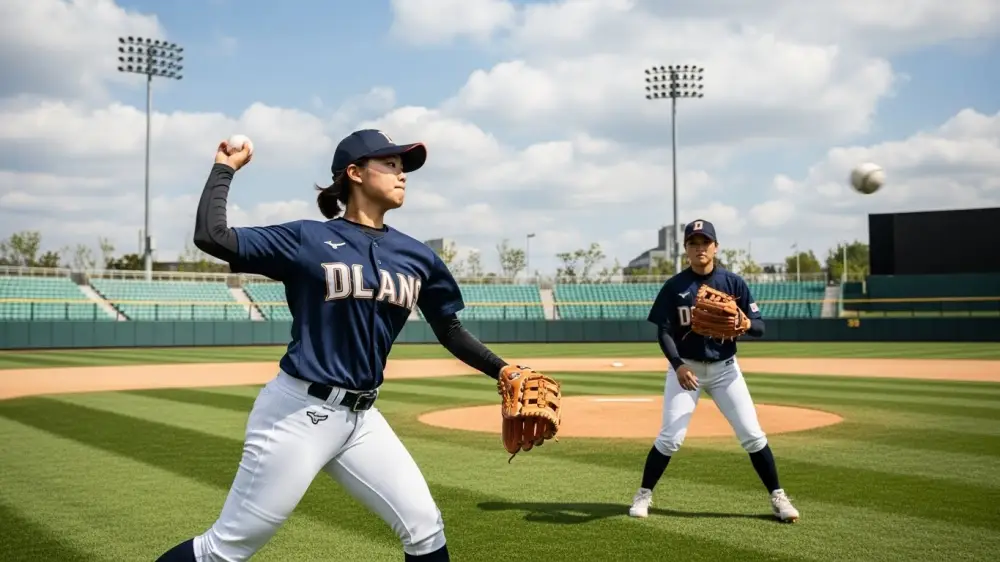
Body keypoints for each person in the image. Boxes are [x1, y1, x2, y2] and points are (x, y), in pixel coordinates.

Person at [156, 129, 534, 561]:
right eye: (389, 164)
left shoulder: (416, 256)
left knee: (424, 528)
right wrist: (225, 169)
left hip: (362, 419)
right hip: (298, 414)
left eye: (403, 166)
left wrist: (502, 369)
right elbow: (213, 236)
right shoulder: (307, 239)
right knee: (225, 548)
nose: (401, 174)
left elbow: (448, 328)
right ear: (354, 173)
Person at [627, 219, 800, 523]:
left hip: (725, 371)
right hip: (687, 370)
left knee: (752, 434)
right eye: (693, 243)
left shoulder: (733, 283)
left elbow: (759, 326)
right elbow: (663, 332)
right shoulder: (675, 286)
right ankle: (643, 495)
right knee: (670, 439)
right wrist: (678, 365)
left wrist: (746, 324)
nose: (699, 248)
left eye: (705, 243)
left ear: (715, 247)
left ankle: (778, 497)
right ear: (686, 250)